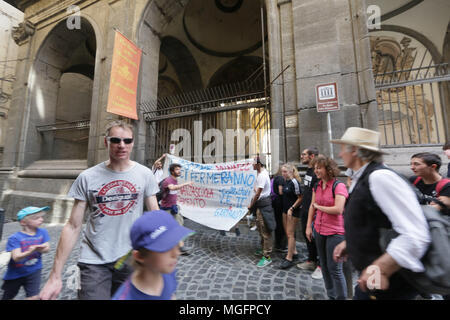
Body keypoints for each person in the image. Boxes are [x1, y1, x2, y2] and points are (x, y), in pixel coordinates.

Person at [40, 120, 160, 300]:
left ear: (133, 143)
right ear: (106, 142)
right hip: (93, 262)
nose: (122, 145)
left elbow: (155, 217)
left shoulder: (145, 175)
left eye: (127, 141)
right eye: (115, 140)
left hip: (131, 258)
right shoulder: (87, 177)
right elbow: (73, 226)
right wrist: (55, 276)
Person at [332, 127, 431, 300]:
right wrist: (351, 242)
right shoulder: (362, 178)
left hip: (390, 285)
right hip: (372, 283)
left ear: (354, 150)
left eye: (342, 149)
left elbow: (416, 234)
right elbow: (375, 220)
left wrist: (381, 269)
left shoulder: (380, 177)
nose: (340, 155)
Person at [112, 210, 195, 300]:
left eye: (176, 244)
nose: (176, 253)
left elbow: (170, 294)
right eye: (165, 248)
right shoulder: (125, 297)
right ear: (140, 256)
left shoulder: (167, 272)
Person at [305, 155, 348, 300]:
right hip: (319, 229)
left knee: (334, 268)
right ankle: (331, 295)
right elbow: (312, 206)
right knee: (323, 265)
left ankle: (341, 297)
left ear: (328, 169)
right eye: (315, 168)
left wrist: (319, 207)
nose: (316, 171)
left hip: (335, 232)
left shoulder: (338, 186)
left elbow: (338, 209)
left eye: (319, 168)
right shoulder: (316, 186)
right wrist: (308, 227)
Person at [2, 206, 50, 300]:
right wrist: (30, 251)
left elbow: (47, 248)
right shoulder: (15, 238)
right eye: (36, 218)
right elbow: (16, 257)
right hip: (15, 273)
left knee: (34, 297)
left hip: (34, 271)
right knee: (8, 296)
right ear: (24, 222)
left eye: (41, 217)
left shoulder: (43, 232)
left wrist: (40, 249)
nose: (41, 219)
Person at [296, 147, 322, 280]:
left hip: (314, 211)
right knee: (308, 237)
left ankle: (321, 266)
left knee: (317, 238)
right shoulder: (309, 170)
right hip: (305, 209)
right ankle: (311, 260)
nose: (301, 156)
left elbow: (317, 194)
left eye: (304, 154)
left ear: (312, 156)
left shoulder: (318, 172)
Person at [160, 163, 194, 255]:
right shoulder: (168, 180)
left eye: (180, 169)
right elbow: (172, 188)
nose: (179, 171)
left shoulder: (175, 180)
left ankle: (181, 248)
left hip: (173, 208)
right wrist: (186, 184)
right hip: (166, 209)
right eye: (177, 170)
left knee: (178, 227)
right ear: (172, 171)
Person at [248, 157, 275, 268]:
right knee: (260, 228)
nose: (252, 166)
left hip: (263, 206)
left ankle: (267, 256)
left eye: (253, 164)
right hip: (261, 205)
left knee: (265, 230)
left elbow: (258, 194)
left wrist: (251, 205)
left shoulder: (262, 175)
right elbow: (259, 191)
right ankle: (263, 249)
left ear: (258, 164)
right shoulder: (261, 174)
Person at [279, 164, 302, 269]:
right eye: (282, 171)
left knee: (290, 234)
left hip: (293, 212)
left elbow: (300, 198)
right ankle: (294, 252)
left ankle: (289, 258)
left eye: (285, 171)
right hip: (285, 211)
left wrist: (292, 208)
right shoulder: (285, 181)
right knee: (288, 233)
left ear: (291, 172)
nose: (283, 173)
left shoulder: (294, 182)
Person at [271, 166, 287, 252]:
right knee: (281, 224)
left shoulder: (274, 178)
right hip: (280, 204)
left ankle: (277, 244)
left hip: (275, 203)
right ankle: (281, 245)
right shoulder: (280, 178)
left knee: (278, 224)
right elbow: (281, 191)